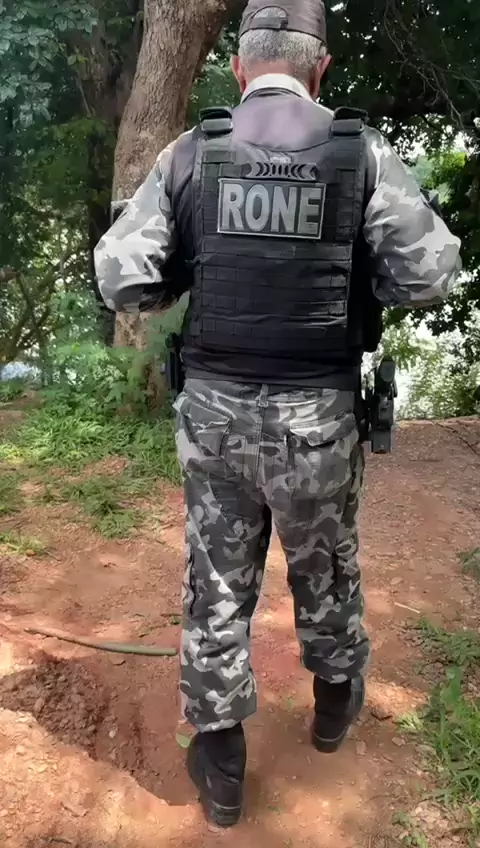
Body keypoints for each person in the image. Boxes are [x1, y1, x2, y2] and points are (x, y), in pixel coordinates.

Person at [94, 0, 461, 828]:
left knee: (217, 582)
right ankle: (333, 705)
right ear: (319, 69)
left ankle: (221, 764)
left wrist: (185, 268)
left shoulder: (192, 152)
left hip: (215, 418)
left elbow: (123, 278)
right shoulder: (359, 153)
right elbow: (432, 272)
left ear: (238, 67)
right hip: (318, 419)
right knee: (324, 566)